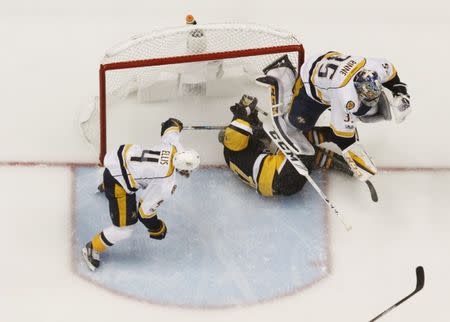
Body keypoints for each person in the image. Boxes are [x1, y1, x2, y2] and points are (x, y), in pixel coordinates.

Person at [257, 53, 411, 182]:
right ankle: (283, 76)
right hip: (310, 84)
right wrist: (352, 155)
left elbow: (390, 71)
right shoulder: (345, 96)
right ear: (356, 92)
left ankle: (323, 128)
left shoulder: (371, 68)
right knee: (297, 123)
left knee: (361, 112)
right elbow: (342, 134)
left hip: (329, 71)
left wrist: (399, 91)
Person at [82, 118, 200, 271]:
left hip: (119, 156)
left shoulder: (174, 147)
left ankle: (106, 183)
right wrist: (157, 228)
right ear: (185, 170)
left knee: (136, 175)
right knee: (124, 229)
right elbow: (144, 212)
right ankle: (92, 248)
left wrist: (176, 125)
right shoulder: (166, 183)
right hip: (117, 181)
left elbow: (170, 127)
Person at [219, 95, 354, 197]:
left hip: (284, 184)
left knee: (303, 151)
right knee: (294, 134)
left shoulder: (233, 151)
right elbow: (239, 131)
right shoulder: (235, 141)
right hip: (281, 174)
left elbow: (246, 133)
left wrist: (248, 114)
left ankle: (339, 163)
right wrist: (243, 113)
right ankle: (334, 135)